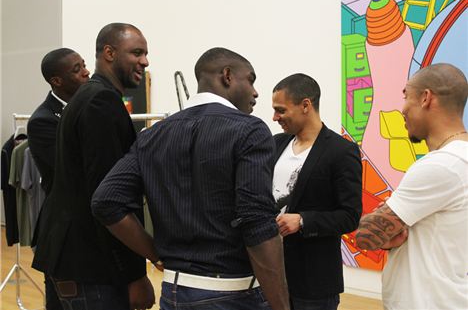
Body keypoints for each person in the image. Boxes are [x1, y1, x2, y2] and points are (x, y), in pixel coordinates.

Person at [91, 47, 290, 310]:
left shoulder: (153, 135)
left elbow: (106, 200)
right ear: (227, 76)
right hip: (231, 294)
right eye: (251, 80)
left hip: (174, 292)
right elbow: (256, 221)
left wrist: (156, 254)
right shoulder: (249, 129)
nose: (255, 92)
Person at [31, 23, 155, 310]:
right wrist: (137, 271)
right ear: (109, 53)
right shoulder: (100, 101)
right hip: (92, 265)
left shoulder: (88, 97)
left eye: (146, 54)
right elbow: (108, 199)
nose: (145, 61)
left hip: (75, 259)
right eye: (136, 52)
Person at [356, 63, 468, 310]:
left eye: (406, 96)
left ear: (426, 98)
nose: (402, 109)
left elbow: (364, 237)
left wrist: (381, 227)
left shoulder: (443, 165)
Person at [271, 73, 362, 310]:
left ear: (305, 105)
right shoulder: (275, 144)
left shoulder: (342, 151)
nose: (275, 117)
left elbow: (350, 216)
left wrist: (303, 220)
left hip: (314, 283)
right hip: (270, 275)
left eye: (280, 110)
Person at [27, 48, 89, 310]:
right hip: (64, 231)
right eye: (77, 69)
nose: (86, 72)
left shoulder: (89, 107)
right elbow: (73, 172)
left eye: (84, 65)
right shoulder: (42, 121)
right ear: (57, 81)